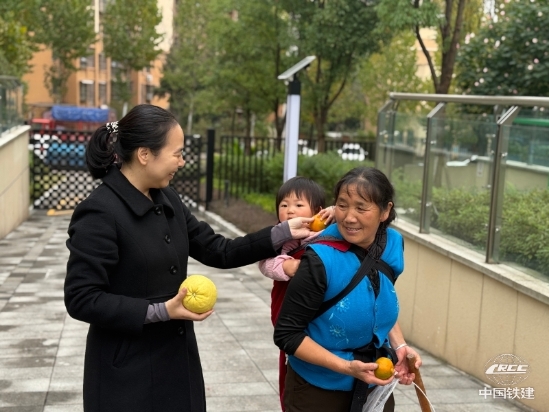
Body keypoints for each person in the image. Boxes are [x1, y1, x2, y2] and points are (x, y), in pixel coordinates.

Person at [64, 104, 313, 412]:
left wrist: (282, 232)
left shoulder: (167, 197)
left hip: (177, 364)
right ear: (145, 154)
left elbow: (219, 249)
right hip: (126, 374)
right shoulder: (100, 211)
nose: (182, 162)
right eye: (177, 153)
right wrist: (161, 311)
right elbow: (82, 298)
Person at [274, 167, 422, 412]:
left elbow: (377, 297)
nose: (349, 218)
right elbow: (286, 335)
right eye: (342, 205)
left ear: (385, 210)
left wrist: (400, 347)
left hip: (374, 384)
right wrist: (347, 367)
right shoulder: (320, 258)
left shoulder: (393, 243)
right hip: (317, 390)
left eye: (361, 208)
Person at [258, 176, 334, 411]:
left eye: (298, 205)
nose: (290, 210)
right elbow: (264, 263)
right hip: (288, 311)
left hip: (319, 313)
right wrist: (287, 266)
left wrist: (334, 212)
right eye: (284, 205)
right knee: (292, 360)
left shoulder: (329, 233)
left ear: (318, 211)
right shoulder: (280, 238)